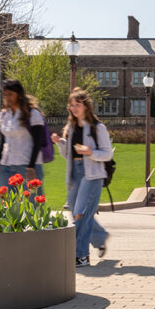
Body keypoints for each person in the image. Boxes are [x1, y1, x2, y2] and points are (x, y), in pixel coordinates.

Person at [52, 88, 113, 268]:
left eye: (77, 105)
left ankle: (81, 255)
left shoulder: (97, 128)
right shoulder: (70, 128)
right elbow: (67, 155)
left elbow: (107, 154)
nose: (74, 108)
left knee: (82, 215)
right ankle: (99, 237)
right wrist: (60, 143)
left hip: (92, 175)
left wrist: (90, 152)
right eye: (71, 105)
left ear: (86, 106)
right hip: (74, 173)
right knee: (77, 214)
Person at [0, 79, 46, 195]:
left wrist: (31, 167)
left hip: (26, 165)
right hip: (6, 164)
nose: (7, 98)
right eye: (5, 95)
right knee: (5, 205)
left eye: (10, 94)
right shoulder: (4, 115)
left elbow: (37, 141)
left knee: (31, 206)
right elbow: (1, 141)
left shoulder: (33, 114)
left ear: (19, 95)